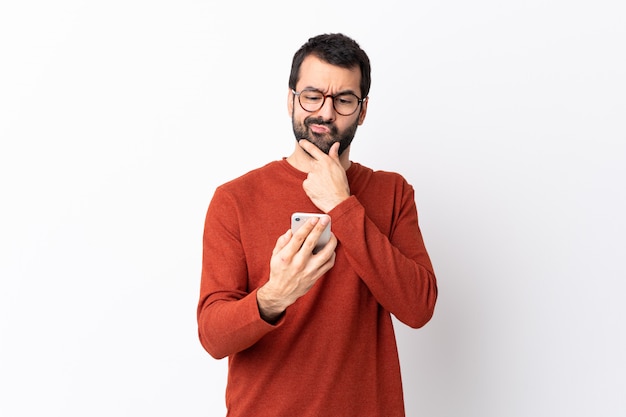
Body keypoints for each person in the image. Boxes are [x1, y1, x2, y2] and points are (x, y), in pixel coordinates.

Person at [197, 33, 438, 417]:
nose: (325, 113)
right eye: (312, 96)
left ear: (362, 110)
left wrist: (342, 205)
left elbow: (418, 308)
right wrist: (273, 297)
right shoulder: (235, 199)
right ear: (291, 100)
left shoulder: (392, 192)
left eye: (343, 100)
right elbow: (212, 336)